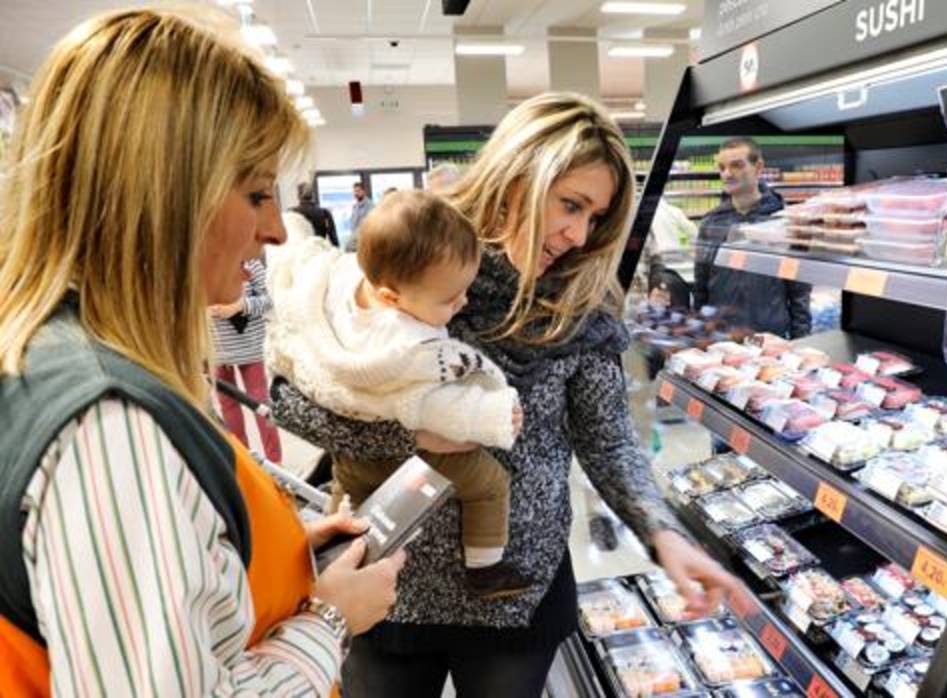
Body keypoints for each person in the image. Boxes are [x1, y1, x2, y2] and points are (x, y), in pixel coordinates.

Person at [269, 92, 745, 698]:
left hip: (518, 589)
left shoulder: (583, 303)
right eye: (570, 205)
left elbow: (607, 438)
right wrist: (411, 434)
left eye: (596, 218)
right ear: (520, 173)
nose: (578, 235)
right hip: (387, 579)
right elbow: (293, 399)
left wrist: (664, 532)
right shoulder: (418, 251)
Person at [0, 8, 403, 695]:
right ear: (162, 196)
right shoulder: (112, 426)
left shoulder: (59, 359)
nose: (276, 231)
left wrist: (278, 559)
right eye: (256, 194)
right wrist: (331, 621)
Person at [266, 190, 534, 597]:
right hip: (420, 462)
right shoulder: (405, 347)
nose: (462, 302)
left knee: (346, 499)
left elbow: (304, 258)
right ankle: (486, 570)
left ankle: (333, 563)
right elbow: (435, 407)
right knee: (491, 483)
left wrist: (295, 231)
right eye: (449, 299)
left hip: (353, 459)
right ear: (391, 297)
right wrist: (494, 416)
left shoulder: (339, 290)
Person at [694, 137, 813, 338]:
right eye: (722, 167)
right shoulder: (711, 223)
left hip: (769, 339)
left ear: (758, 168)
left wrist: (799, 342)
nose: (727, 174)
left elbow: (799, 291)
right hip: (721, 339)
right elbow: (700, 288)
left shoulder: (783, 220)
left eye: (736, 166)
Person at [210, 257, 282, 462]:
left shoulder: (250, 263)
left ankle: (276, 461)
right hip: (217, 349)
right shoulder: (201, 264)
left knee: (260, 402)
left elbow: (270, 299)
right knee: (228, 405)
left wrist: (240, 306)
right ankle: (243, 460)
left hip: (251, 347)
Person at [292, 181, 339, 246]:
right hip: (320, 251)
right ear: (312, 194)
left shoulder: (292, 213)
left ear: (298, 195)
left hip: (301, 253)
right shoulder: (325, 212)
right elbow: (334, 239)